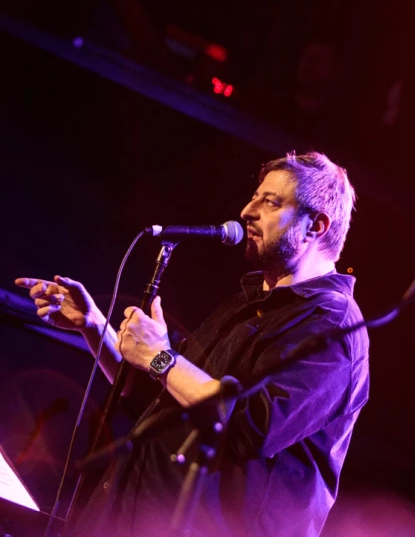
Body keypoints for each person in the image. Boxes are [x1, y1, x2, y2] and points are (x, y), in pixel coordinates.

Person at [14, 151, 370, 537]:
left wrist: (161, 357)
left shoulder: (333, 327)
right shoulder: (245, 304)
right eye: (254, 196)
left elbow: (252, 425)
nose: (247, 210)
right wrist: (95, 327)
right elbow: (163, 399)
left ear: (315, 226)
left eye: (270, 202)